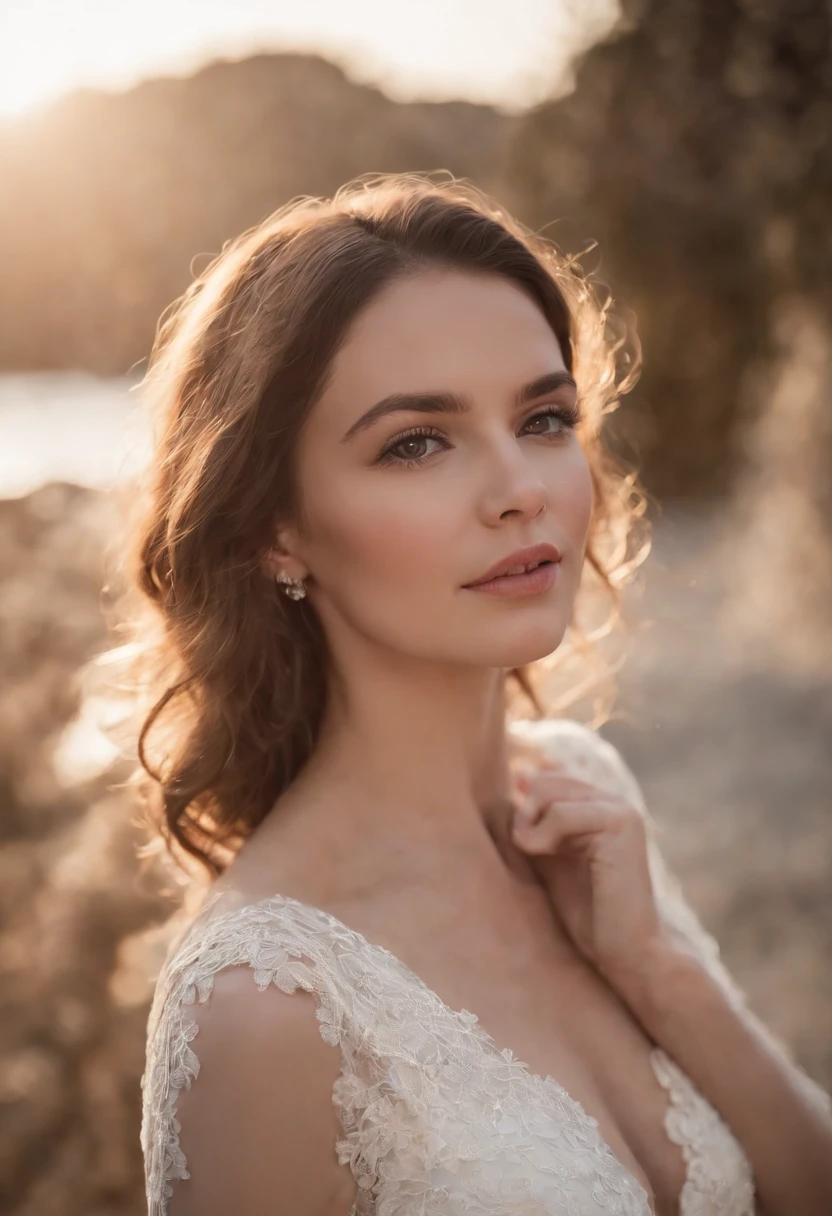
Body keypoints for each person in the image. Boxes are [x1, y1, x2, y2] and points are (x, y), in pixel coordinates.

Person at [126, 173, 832, 1215]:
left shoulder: (579, 795)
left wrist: (659, 971)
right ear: (275, 526)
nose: (520, 489)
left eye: (544, 418)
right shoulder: (263, 1003)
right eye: (416, 441)